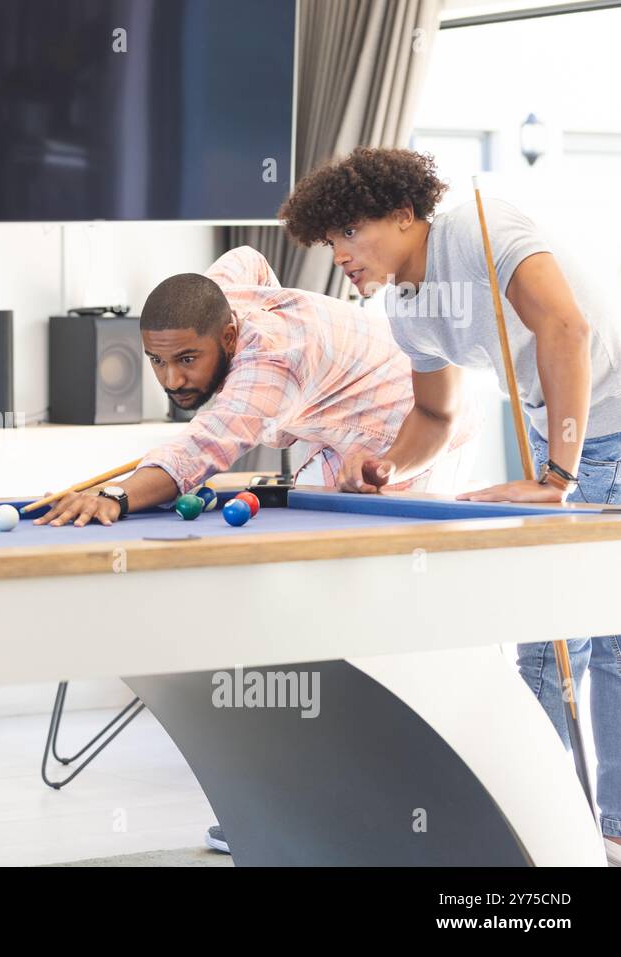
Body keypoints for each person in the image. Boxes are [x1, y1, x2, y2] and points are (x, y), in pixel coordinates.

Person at [279, 146, 621, 866]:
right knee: (580, 633)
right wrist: (389, 463)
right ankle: (583, 828)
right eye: (329, 240)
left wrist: (555, 474)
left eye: (350, 232)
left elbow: (567, 328)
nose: (340, 253)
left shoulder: (478, 228)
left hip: (603, 425)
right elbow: (434, 417)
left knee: (561, 633)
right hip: (558, 429)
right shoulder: (408, 310)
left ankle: (544, 829)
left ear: (405, 213)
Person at [32, 244, 478, 529]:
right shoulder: (217, 296)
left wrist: (116, 494)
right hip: (337, 424)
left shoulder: (271, 367)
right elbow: (249, 258)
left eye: (188, 360)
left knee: (377, 580)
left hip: (411, 422)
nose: (172, 380)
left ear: (228, 337)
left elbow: (199, 452)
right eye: (157, 361)